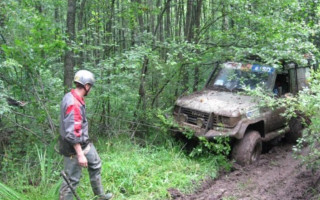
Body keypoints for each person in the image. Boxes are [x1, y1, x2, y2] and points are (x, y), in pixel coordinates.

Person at [59, 70, 112, 200]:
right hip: (73, 147)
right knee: (71, 180)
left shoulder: (72, 96)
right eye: (90, 86)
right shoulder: (74, 103)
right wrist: (80, 154)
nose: (90, 89)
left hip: (84, 143)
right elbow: (72, 132)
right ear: (86, 85)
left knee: (95, 164)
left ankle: (100, 196)